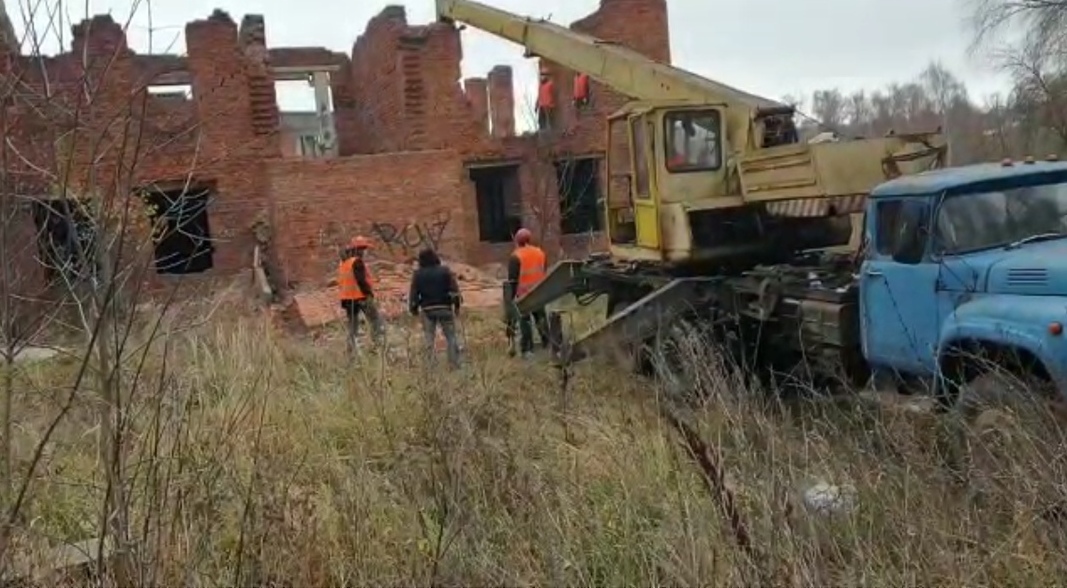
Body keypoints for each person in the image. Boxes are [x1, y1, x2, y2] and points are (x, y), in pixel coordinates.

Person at [409, 248, 462, 368]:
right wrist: (457, 306)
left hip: (427, 309)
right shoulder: (445, 271)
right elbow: (454, 290)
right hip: (445, 307)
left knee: (429, 338)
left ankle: (429, 366)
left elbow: (414, 293)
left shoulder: (418, 274)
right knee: (451, 337)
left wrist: (413, 308)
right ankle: (454, 364)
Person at [337, 235, 384, 355]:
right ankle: (377, 346)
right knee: (375, 320)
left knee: (352, 327)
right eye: (363, 249)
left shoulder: (344, 263)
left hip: (347, 299)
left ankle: (351, 351)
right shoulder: (357, 262)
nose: (365, 252)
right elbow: (361, 280)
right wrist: (369, 294)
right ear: (358, 250)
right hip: (361, 297)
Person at [507, 228, 550, 358]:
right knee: (541, 318)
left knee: (525, 322)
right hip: (538, 292)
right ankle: (547, 343)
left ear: (517, 241)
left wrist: (511, 299)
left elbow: (512, 281)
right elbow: (544, 270)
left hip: (524, 294)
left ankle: (527, 349)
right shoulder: (540, 253)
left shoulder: (515, 256)